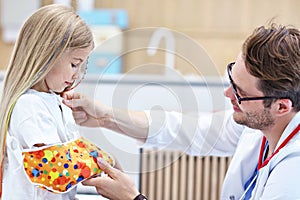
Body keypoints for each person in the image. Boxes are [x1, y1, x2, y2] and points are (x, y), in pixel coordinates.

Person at [63, 23, 300, 200]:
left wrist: (133, 198)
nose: (227, 94)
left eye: (239, 92)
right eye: (231, 78)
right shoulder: (259, 126)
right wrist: (105, 116)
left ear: (281, 107)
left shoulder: (293, 174)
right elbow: (184, 129)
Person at [0, 4, 94, 199]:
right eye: (74, 64)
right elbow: (56, 170)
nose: (77, 74)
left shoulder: (54, 101)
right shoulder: (30, 106)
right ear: (47, 55)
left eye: (81, 66)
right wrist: (98, 161)